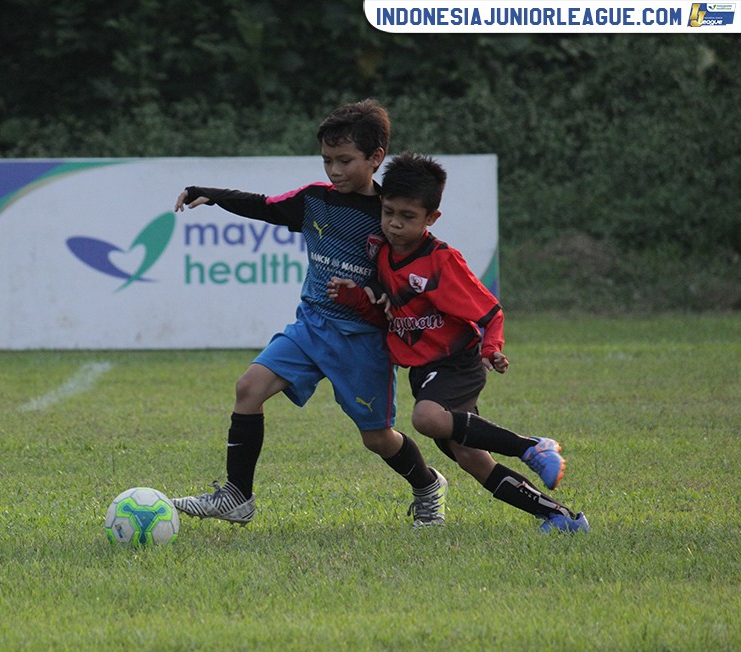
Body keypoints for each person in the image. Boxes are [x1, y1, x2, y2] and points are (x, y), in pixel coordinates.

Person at [171, 99, 448, 529]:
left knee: (377, 438)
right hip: (311, 326)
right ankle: (237, 497)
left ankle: (428, 486)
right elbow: (265, 205)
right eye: (327, 160)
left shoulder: (390, 213)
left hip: (362, 341)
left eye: (345, 161)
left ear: (375, 158)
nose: (334, 170)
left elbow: (410, 273)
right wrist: (214, 196)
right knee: (249, 388)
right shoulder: (315, 199)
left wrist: (381, 297)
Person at [327, 151, 589, 532]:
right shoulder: (382, 255)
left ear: (431, 218)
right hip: (424, 370)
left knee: (426, 418)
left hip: (455, 363)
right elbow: (385, 312)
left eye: (407, 217)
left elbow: (490, 311)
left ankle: (531, 446)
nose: (394, 224)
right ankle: (560, 517)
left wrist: (491, 348)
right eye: (388, 213)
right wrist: (355, 298)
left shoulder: (441, 261)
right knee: (472, 458)